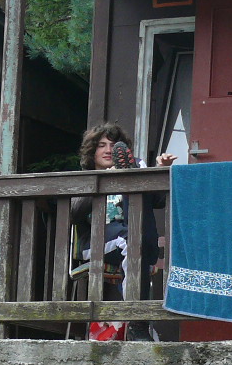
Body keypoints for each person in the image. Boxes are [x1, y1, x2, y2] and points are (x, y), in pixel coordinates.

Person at [71, 124, 174, 329]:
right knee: (132, 240)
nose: (108, 150)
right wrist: (106, 181)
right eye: (102, 145)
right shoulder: (84, 177)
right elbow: (74, 212)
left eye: (113, 145)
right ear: (92, 151)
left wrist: (161, 171)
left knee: (136, 233)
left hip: (134, 233)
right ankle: (136, 320)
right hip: (97, 239)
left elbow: (158, 200)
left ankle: (134, 174)